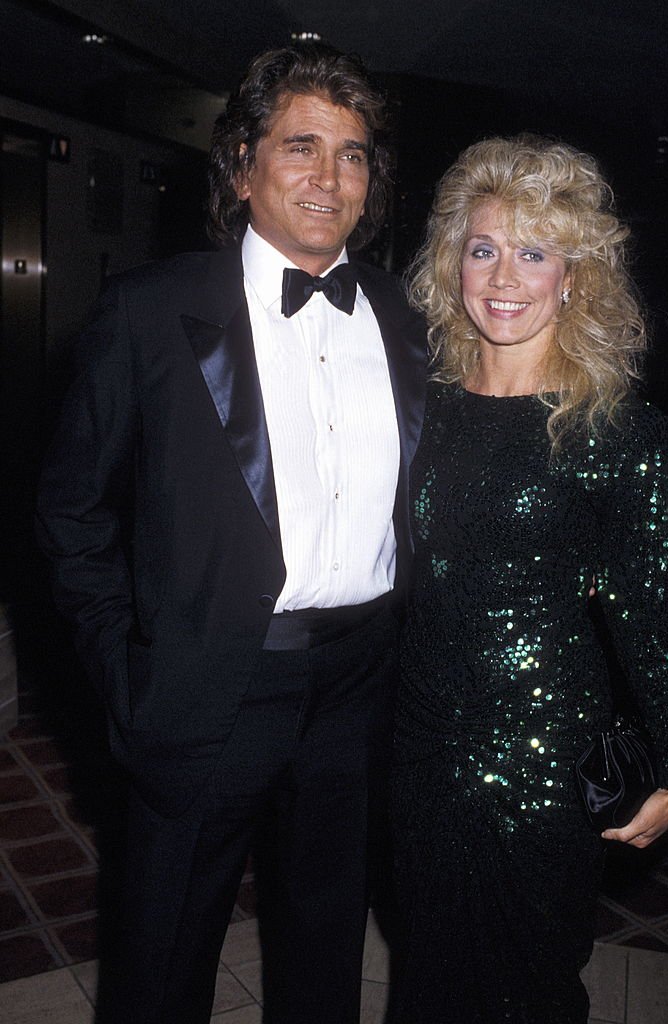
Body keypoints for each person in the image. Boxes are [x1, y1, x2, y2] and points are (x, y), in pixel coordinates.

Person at [35, 43, 426, 1024]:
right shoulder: (147, 313)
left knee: (324, 948)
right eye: (301, 146)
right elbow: (69, 516)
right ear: (242, 163)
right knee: (162, 961)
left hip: (358, 689)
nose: (329, 176)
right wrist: (129, 676)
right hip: (208, 684)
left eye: (353, 152)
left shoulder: (412, 318)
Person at [390, 135, 668, 1024]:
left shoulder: (617, 431)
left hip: (542, 753)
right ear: (453, 264)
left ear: (575, 278)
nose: (504, 275)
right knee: (427, 964)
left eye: (535, 252)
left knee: (530, 974)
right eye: (483, 247)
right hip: (419, 740)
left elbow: (649, 602)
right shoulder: (419, 407)